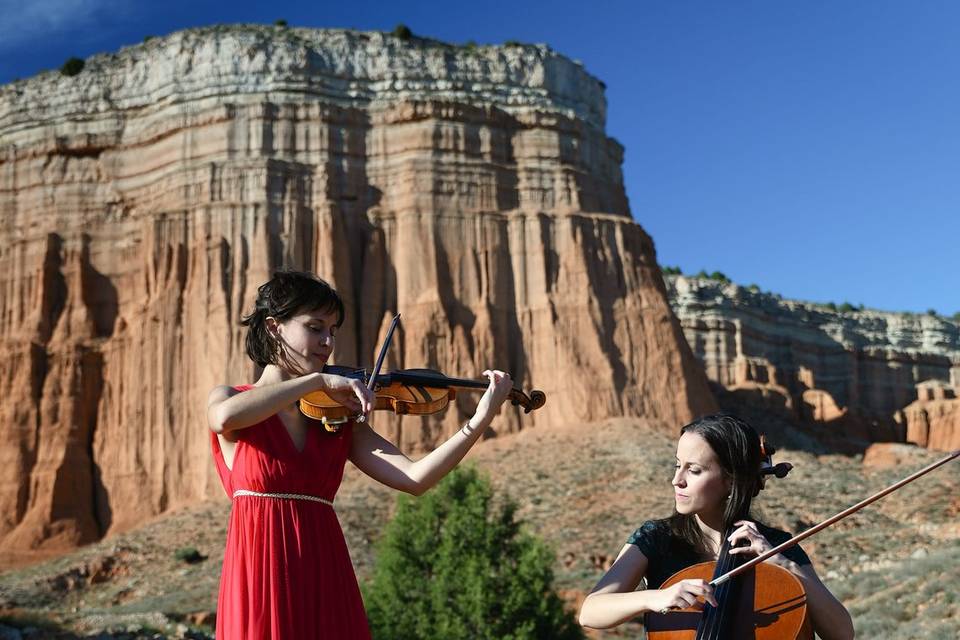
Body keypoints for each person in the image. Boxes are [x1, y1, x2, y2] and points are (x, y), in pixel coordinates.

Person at [206, 270, 514, 639]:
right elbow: (224, 418)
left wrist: (480, 419)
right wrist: (318, 380)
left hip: (326, 574)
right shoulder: (230, 397)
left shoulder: (335, 419)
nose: (327, 342)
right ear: (274, 328)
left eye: (333, 331)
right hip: (258, 577)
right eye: (315, 327)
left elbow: (415, 479)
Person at [578, 413, 854, 640]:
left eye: (694, 470)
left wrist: (784, 564)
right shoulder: (657, 538)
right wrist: (656, 597)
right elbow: (590, 612)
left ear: (732, 480)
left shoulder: (775, 544)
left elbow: (841, 634)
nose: (678, 480)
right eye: (677, 466)